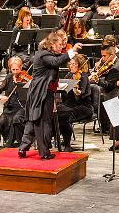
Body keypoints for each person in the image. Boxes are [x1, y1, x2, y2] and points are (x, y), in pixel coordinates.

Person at [18, 30, 82, 160]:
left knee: (34, 119)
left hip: (39, 91)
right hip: (41, 92)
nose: (61, 47)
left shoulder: (45, 53)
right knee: (43, 122)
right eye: (59, 44)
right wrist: (72, 51)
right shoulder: (44, 55)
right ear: (51, 44)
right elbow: (55, 62)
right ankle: (44, 153)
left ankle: (23, 148)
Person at [56, 54, 93, 151]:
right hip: (69, 104)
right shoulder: (69, 75)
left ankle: (67, 144)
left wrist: (76, 90)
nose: (71, 66)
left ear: (79, 65)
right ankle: (56, 139)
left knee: (65, 115)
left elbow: (81, 94)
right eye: (70, 64)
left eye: (73, 64)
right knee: (56, 111)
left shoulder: (83, 76)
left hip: (83, 106)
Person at [0, 57, 29, 148]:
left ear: (21, 68)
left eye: (17, 69)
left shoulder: (25, 78)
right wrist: (0, 96)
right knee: (1, 121)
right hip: (10, 107)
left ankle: (18, 142)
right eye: (13, 70)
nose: (15, 72)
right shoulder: (9, 77)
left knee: (16, 119)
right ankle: (7, 139)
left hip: (22, 106)